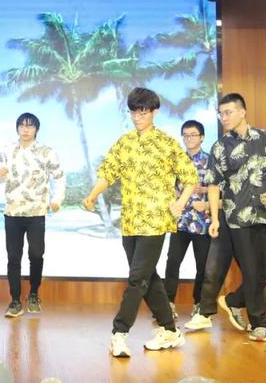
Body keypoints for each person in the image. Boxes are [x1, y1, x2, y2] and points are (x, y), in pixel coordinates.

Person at [82, 87, 197, 358]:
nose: (137, 117)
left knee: (137, 279)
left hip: (155, 221)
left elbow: (190, 177)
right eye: (133, 112)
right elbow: (108, 173)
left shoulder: (167, 143)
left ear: (154, 112)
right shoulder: (124, 142)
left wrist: (181, 202)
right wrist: (92, 195)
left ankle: (119, 334)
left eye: (142, 112)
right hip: (130, 222)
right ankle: (170, 330)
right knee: (148, 277)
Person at [203, 93, 266, 342]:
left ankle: (233, 300)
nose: (224, 117)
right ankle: (259, 323)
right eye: (221, 113)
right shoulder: (220, 147)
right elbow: (213, 185)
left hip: (264, 215)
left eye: (228, 112)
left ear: (243, 112)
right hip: (237, 218)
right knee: (251, 271)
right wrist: (215, 219)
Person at [0, 112, 65, 318]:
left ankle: (33, 294)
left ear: (36, 129)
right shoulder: (7, 151)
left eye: (30, 126)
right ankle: (15, 301)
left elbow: (60, 177)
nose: (25, 129)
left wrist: (57, 199)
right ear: (17, 128)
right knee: (13, 257)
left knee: (36, 255)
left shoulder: (47, 152)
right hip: (12, 212)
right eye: (22, 125)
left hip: (36, 212)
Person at [163, 120, 211, 318]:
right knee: (172, 262)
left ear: (202, 137)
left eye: (193, 135)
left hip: (202, 222)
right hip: (181, 221)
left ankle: (199, 304)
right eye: (186, 135)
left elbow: (221, 188)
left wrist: (205, 191)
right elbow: (168, 187)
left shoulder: (211, 161)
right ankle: (168, 304)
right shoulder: (176, 161)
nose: (189, 138)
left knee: (203, 266)